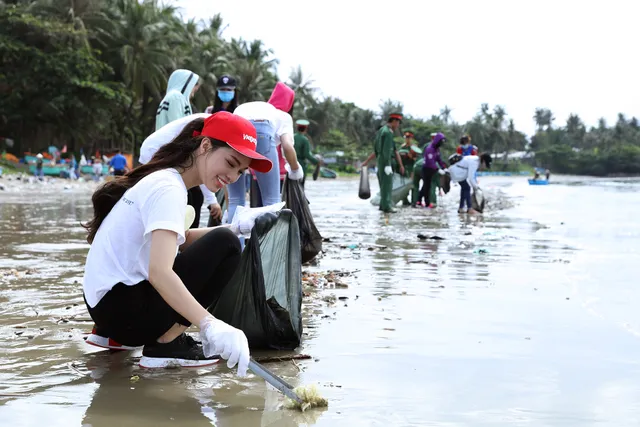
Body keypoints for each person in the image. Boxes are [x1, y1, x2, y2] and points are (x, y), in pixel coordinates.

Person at [82, 112, 273, 373]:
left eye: (241, 171)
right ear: (205, 145)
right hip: (124, 314)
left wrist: (235, 227)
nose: (233, 176)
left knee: (227, 236)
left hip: (106, 310)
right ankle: (166, 344)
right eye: (230, 162)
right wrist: (210, 324)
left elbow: (179, 242)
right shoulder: (169, 189)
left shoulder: (166, 179)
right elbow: (159, 272)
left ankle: (126, 337)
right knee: (228, 246)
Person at [228, 82, 303, 233]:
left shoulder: (258, 107)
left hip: (235, 128)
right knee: (272, 202)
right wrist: (295, 170)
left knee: (235, 201)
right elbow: (287, 147)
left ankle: (233, 248)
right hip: (262, 128)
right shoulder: (283, 116)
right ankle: (269, 251)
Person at [361, 113, 405, 213]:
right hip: (386, 162)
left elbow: (376, 148)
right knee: (387, 185)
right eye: (398, 122)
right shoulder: (388, 132)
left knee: (383, 185)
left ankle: (383, 205)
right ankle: (387, 206)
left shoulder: (381, 131)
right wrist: (387, 164)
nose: (398, 125)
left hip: (380, 161)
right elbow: (387, 151)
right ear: (394, 121)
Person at [421, 132, 448, 208]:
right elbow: (430, 161)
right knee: (426, 186)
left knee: (429, 186)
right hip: (427, 169)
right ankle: (425, 202)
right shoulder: (430, 149)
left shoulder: (437, 149)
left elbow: (439, 159)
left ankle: (426, 201)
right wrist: (438, 169)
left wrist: (444, 167)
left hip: (433, 169)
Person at [293, 119, 321, 187]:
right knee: (300, 188)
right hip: (301, 166)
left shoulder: (292, 137)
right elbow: (307, 154)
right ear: (306, 128)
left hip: (290, 164)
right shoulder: (304, 140)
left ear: (297, 128)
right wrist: (316, 162)